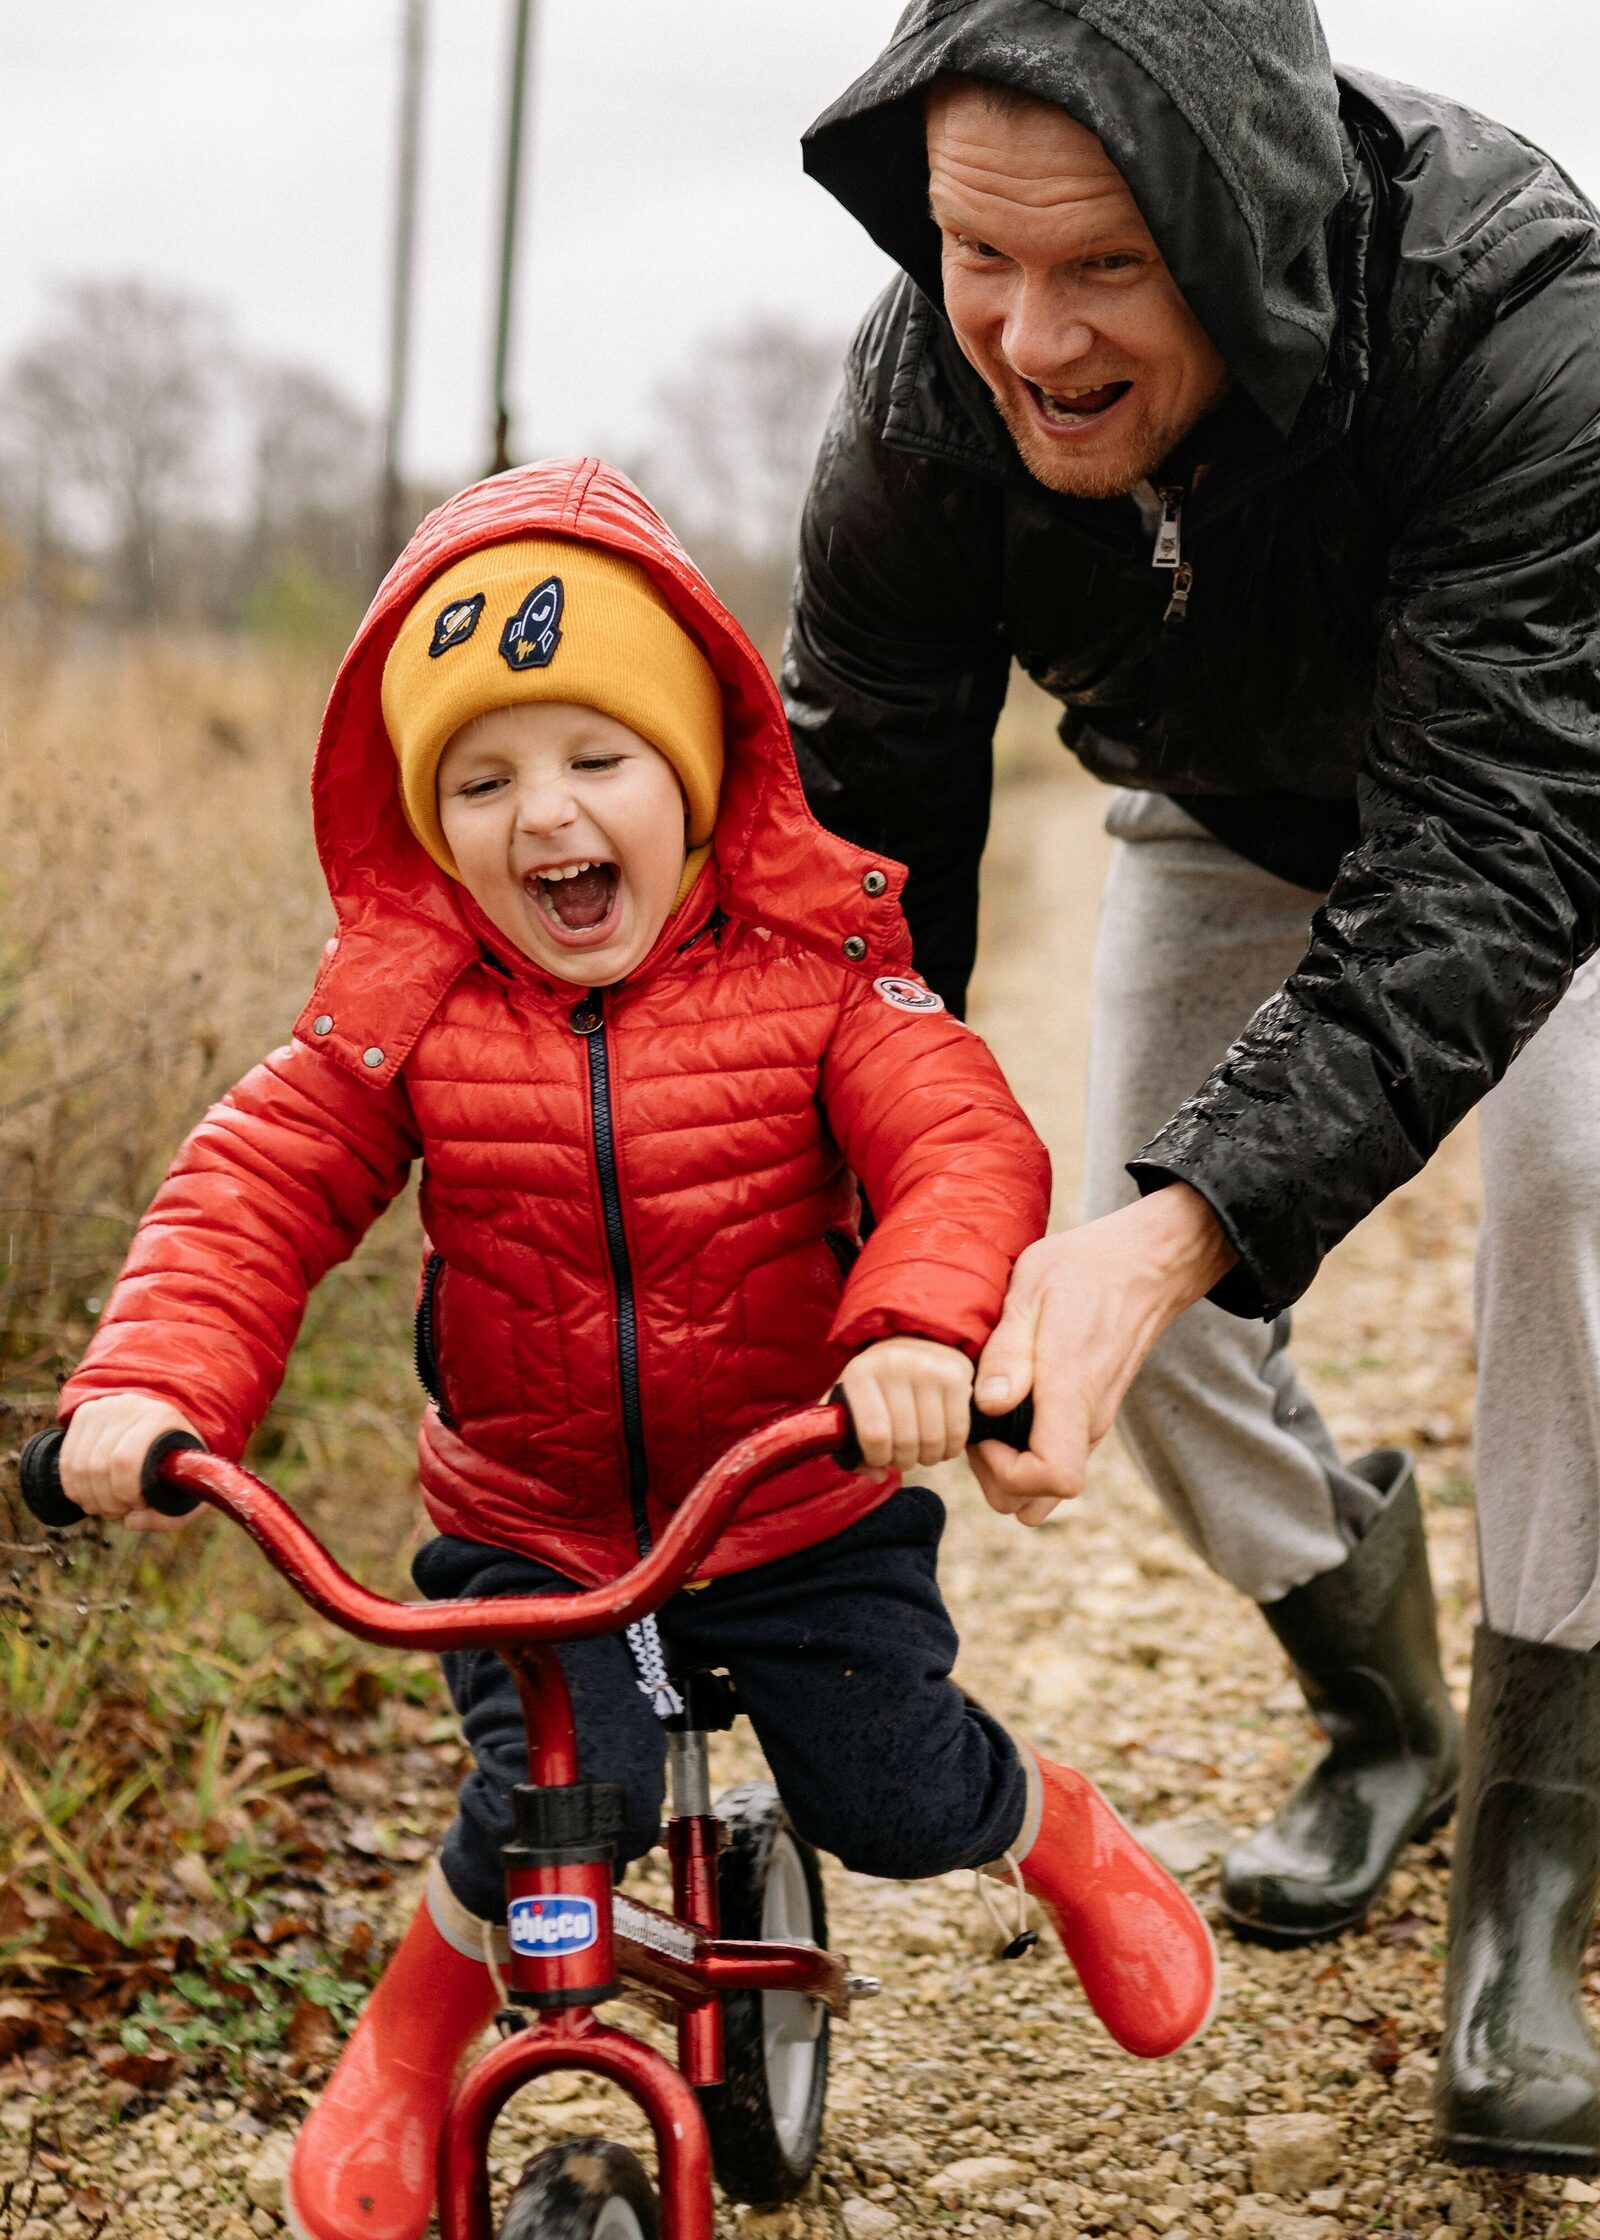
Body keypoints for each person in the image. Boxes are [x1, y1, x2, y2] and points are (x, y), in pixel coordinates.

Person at [53, 460, 1216, 2240]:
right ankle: (404, 2046)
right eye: (483, 778)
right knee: (547, 1809)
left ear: (693, 770)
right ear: (431, 823)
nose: (547, 818)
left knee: (893, 1796)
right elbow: (256, 1187)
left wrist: (910, 1329)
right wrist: (150, 1385)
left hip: (790, 1505)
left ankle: (1055, 1834)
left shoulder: (819, 976)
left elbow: (963, 1144)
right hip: (536, 1528)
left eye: (598, 758)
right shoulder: (408, 1011)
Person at [786, 0, 1600, 2175]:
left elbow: (1493, 851)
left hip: (1542, 819)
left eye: (1102, 270)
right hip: (1219, 803)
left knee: (1574, 1208)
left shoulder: (1517, 313)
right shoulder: (912, 399)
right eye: (974, 253)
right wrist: (850, 1231)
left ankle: (1528, 1872)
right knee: (1108, 1290)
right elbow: (857, 874)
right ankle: (1376, 1710)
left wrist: (1189, 1216)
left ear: (1240, 232)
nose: (1022, 338)